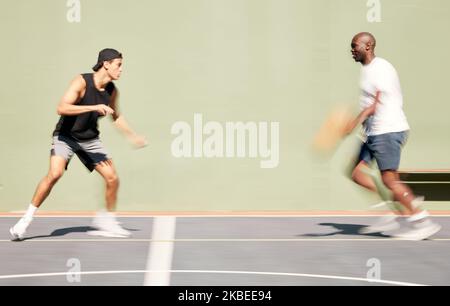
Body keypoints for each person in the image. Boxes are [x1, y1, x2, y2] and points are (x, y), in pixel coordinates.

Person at [10, 48, 147, 240]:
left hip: (90, 140)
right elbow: (62, 108)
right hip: (66, 137)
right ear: (106, 64)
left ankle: (107, 222)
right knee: (55, 174)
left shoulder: (111, 91)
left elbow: (116, 116)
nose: (121, 69)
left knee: (112, 178)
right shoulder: (81, 81)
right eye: (119, 65)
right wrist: (93, 107)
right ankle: (26, 220)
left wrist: (132, 135)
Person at [346, 32, 441, 240]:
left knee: (390, 181)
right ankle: (389, 212)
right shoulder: (367, 69)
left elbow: (375, 104)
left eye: (355, 46)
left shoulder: (380, 68)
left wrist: (352, 123)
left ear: (368, 46)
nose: (352, 50)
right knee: (356, 172)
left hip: (386, 131)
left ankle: (422, 220)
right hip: (374, 132)